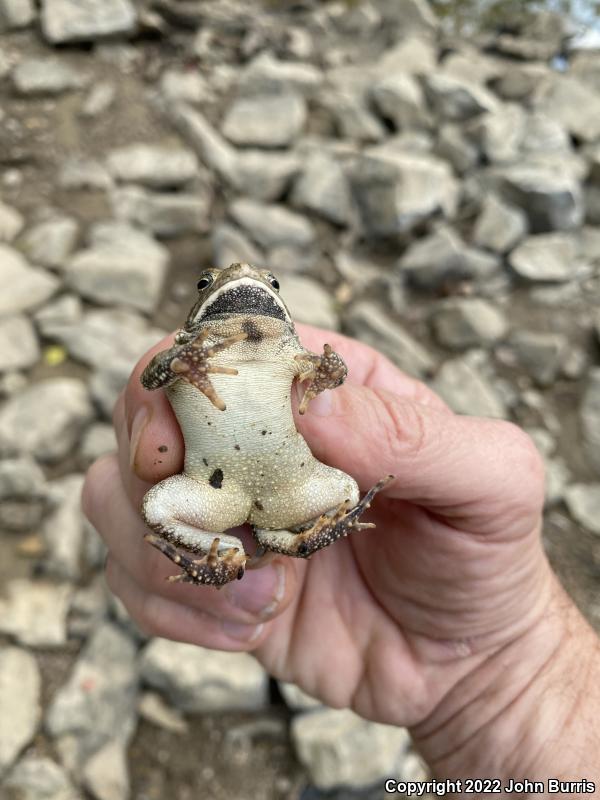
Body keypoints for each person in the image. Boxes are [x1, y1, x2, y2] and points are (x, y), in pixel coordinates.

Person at [83, 323, 600, 787]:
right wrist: (179, 360)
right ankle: (224, 554)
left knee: (346, 492)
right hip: (218, 493)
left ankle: (288, 541)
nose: (243, 281)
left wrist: (326, 369)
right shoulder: (189, 348)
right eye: (209, 282)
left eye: (267, 282)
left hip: (290, 489)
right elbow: (153, 378)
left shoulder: (285, 345)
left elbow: (331, 374)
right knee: (157, 502)